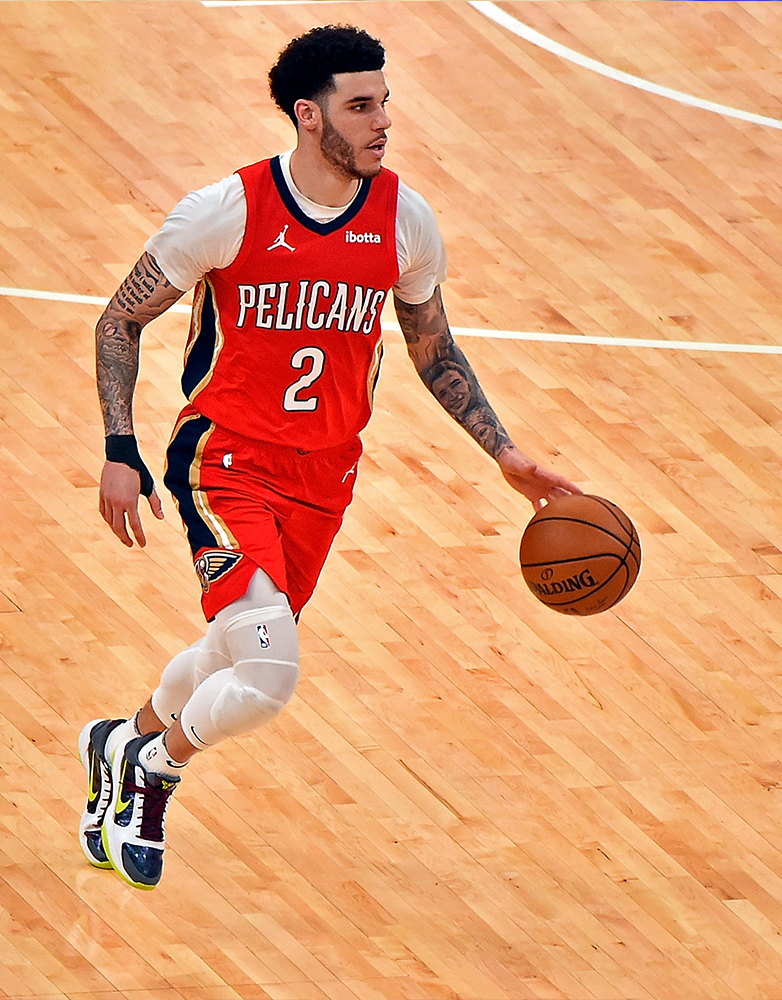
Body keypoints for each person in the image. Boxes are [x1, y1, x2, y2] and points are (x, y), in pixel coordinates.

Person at [80, 24, 581, 890]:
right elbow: (119, 318)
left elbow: (434, 349)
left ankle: (118, 740)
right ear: (310, 118)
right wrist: (120, 446)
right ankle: (155, 770)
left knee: (241, 649)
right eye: (362, 106)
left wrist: (504, 452)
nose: (383, 121)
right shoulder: (227, 211)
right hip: (223, 464)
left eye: (385, 102)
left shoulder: (404, 221)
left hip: (325, 476)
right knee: (270, 669)